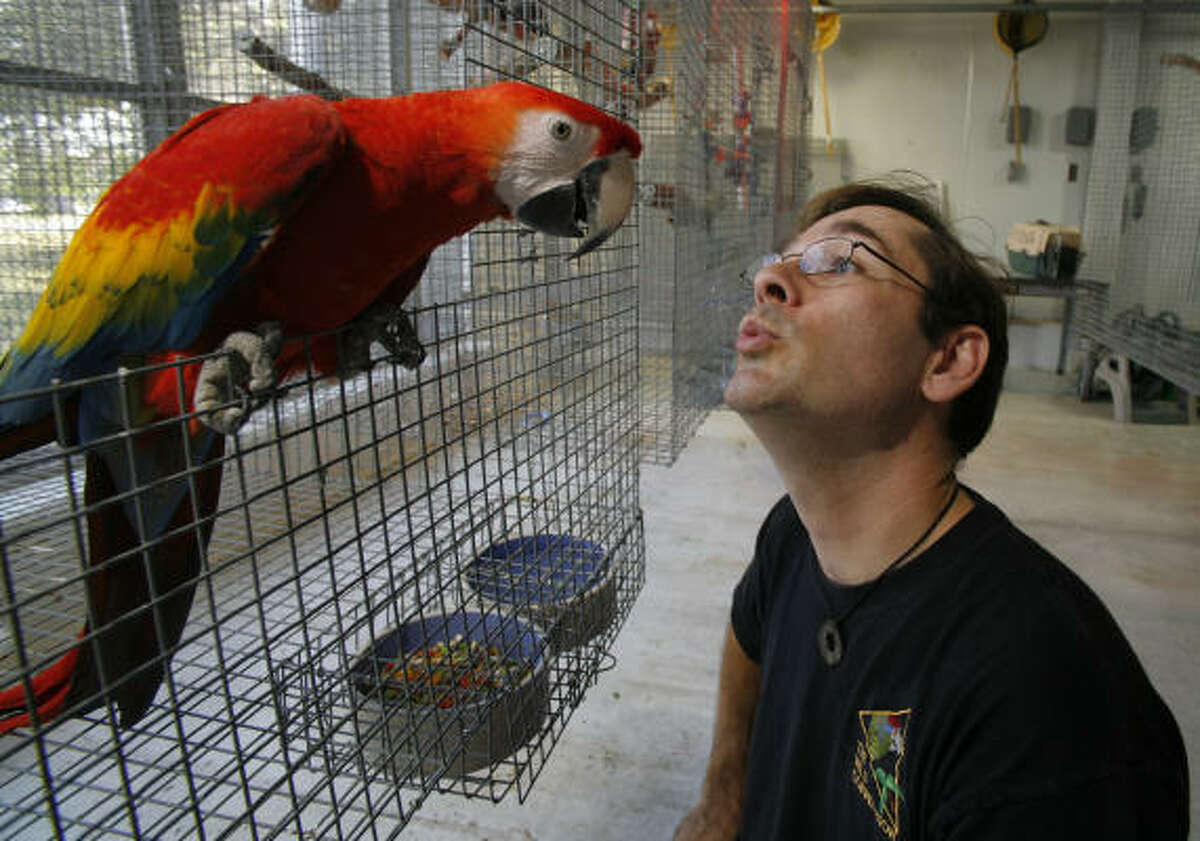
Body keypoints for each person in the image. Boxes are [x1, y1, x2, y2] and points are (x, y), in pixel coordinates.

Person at [674, 176, 1189, 840]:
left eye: (839, 261)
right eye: (779, 259)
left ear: (946, 359)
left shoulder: (1050, 705)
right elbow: (749, 638)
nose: (768, 278)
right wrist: (724, 796)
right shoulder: (792, 536)